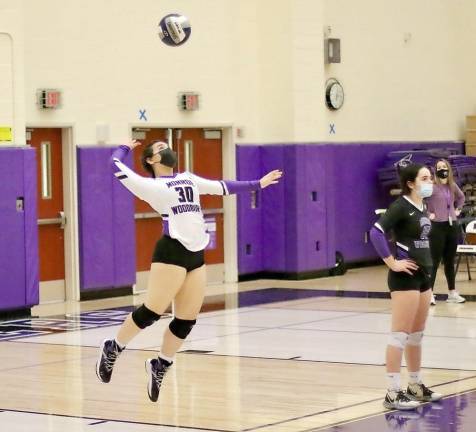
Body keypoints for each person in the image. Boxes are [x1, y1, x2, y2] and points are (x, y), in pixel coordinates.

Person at [96, 140, 282, 402]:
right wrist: (125, 147)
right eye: (161, 147)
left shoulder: (188, 178)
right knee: (152, 311)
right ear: (151, 159)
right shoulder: (150, 186)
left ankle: (160, 364)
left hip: (196, 255)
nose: (168, 148)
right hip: (171, 251)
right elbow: (113, 165)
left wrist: (257, 184)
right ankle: (113, 347)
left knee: (186, 320)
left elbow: (222, 187)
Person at [370, 163, 443, 410]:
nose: (430, 181)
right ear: (411, 183)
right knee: (399, 335)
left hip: (424, 276)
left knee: (416, 336)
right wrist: (392, 263)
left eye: (430, 177)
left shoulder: (422, 206)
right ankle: (392, 392)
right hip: (405, 278)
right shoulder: (400, 206)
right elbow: (376, 232)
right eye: (424, 178)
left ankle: (415, 385)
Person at [426, 159, 465, 305]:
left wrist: (458, 209)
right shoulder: (431, 187)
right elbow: (419, 201)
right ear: (435, 170)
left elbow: (461, 197)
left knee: (449, 261)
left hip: (452, 225)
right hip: (437, 227)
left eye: (444, 167)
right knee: (434, 261)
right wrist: (428, 214)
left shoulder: (452, 185)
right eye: (439, 167)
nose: (442, 169)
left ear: (448, 169)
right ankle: (429, 293)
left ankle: (452, 293)